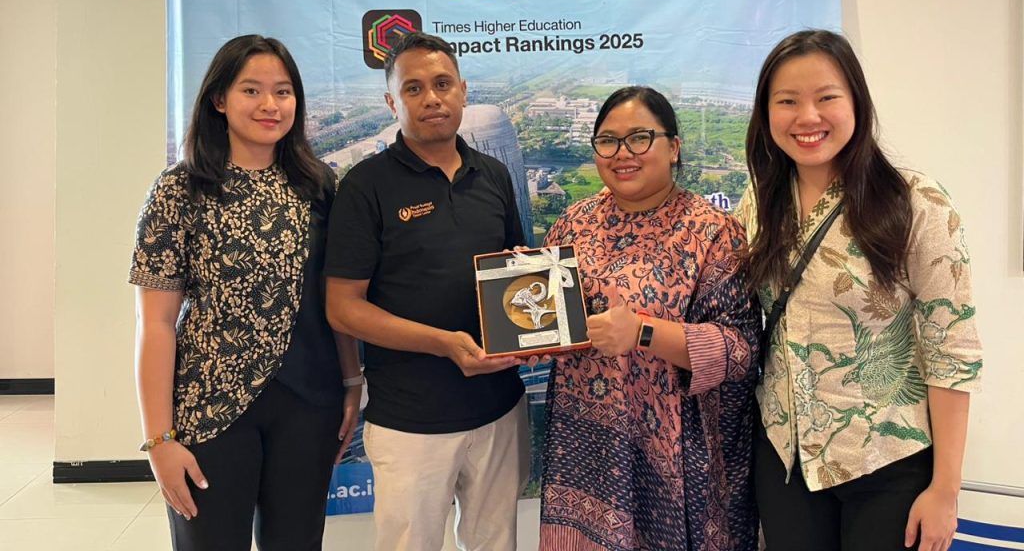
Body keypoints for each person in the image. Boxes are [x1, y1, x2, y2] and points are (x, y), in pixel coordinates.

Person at [736, 30, 983, 551]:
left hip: (888, 458)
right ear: (766, 113)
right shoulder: (757, 204)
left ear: (856, 102)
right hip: (786, 457)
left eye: (826, 97)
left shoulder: (915, 201)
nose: (807, 117)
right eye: (787, 101)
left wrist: (945, 490)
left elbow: (952, 352)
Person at [130, 34, 362, 551]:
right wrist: (159, 440)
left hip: (309, 402)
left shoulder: (319, 186)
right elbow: (155, 323)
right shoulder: (179, 189)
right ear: (219, 99)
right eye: (251, 90)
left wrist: (351, 383)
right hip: (209, 407)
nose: (269, 105)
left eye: (283, 91)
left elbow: (335, 297)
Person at [324, 31, 529, 551]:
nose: (431, 98)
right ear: (392, 102)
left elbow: (514, 271)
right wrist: (443, 343)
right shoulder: (365, 185)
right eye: (413, 88)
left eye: (442, 84)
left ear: (463, 90)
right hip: (411, 421)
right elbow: (343, 309)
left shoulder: (494, 175)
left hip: (500, 408)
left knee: (495, 544)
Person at [539, 86, 760, 551]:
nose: (623, 153)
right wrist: (524, 306)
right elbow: (555, 326)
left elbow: (739, 350)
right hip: (587, 450)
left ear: (673, 147)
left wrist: (642, 332)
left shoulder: (712, 231)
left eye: (640, 138)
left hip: (676, 457)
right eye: (608, 141)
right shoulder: (573, 223)